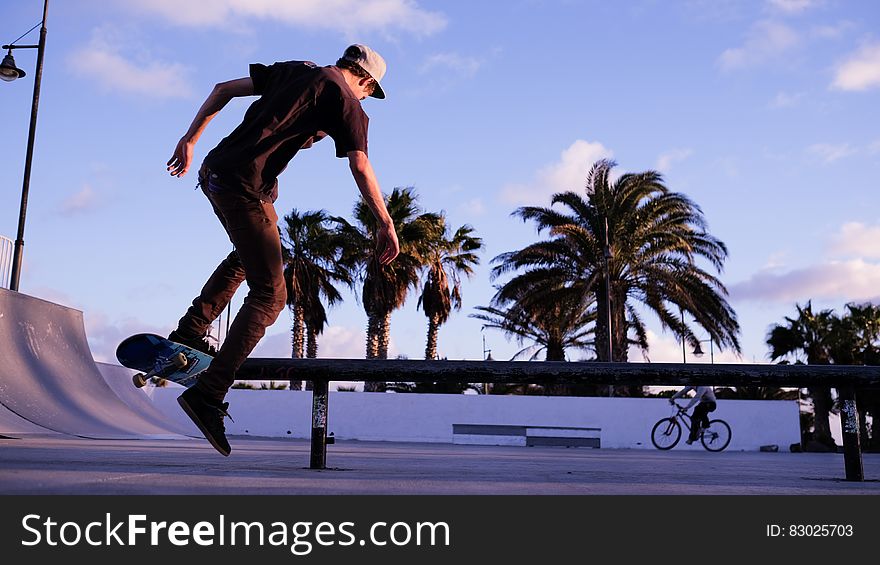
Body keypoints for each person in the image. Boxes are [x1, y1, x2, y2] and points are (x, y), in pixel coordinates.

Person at [165, 44, 400, 456]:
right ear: (366, 80)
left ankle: (191, 330)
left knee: (250, 254)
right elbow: (360, 165)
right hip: (244, 187)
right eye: (369, 92)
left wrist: (189, 139)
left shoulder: (296, 69)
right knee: (272, 295)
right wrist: (386, 222)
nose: (365, 99)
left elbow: (222, 89)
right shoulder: (347, 103)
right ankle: (209, 393)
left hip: (216, 170)